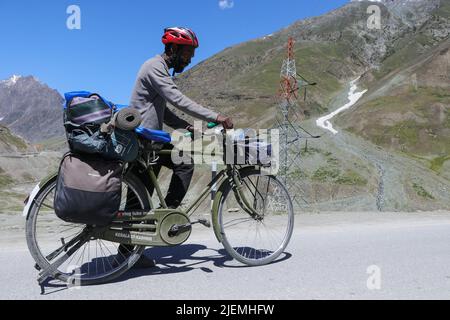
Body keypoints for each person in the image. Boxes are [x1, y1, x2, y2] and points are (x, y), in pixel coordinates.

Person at [117, 27, 234, 268]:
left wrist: (186, 126)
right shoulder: (154, 66)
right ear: (174, 48)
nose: (190, 59)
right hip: (144, 140)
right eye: (188, 53)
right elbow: (176, 99)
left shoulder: (158, 69)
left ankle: (146, 236)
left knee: (145, 191)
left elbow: (163, 110)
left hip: (152, 139)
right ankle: (161, 222)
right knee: (145, 190)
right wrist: (218, 116)